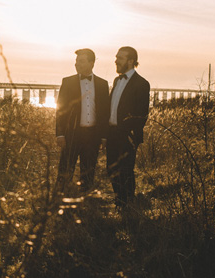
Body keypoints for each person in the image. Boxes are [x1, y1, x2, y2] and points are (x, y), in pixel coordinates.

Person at [55, 48, 110, 192]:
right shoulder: (67, 82)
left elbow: (104, 111)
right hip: (72, 133)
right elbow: (60, 109)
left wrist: (104, 136)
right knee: (65, 170)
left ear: (91, 63)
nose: (76, 64)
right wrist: (60, 133)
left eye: (81, 61)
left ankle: (85, 203)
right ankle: (59, 202)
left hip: (93, 135)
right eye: (76, 61)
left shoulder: (103, 84)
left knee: (89, 171)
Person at [106, 46, 150, 209]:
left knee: (125, 170)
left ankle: (127, 203)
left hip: (127, 135)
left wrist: (130, 134)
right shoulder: (117, 80)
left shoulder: (142, 84)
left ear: (131, 61)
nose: (116, 61)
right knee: (111, 169)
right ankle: (120, 199)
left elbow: (141, 114)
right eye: (116, 57)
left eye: (120, 58)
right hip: (112, 133)